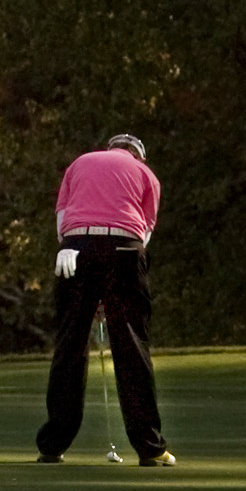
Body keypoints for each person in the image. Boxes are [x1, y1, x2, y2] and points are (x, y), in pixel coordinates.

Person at [36, 133, 175, 465]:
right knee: (131, 344)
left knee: (70, 343)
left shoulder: (79, 163)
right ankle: (149, 447)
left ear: (110, 149)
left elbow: (62, 222)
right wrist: (111, 291)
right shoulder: (147, 174)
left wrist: (78, 264)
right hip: (124, 250)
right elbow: (143, 234)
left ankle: (53, 445)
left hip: (74, 249)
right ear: (137, 155)